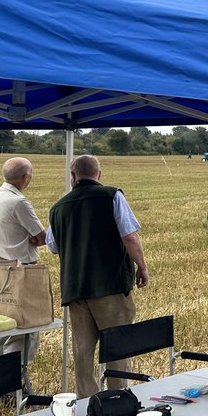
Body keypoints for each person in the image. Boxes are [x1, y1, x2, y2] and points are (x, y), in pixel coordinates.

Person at [46, 154, 148, 397]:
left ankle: (88, 403)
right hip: (109, 286)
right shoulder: (112, 196)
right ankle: (117, 399)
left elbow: (53, 246)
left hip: (75, 289)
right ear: (98, 175)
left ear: (73, 177)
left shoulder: (58, 208)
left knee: (83, 353)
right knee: (117, 348)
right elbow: (130, 236)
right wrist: (142, 266)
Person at [0, 157, 46, 387]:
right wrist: (33, 238)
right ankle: (13, 384)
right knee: (24, 330)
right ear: (25, 177)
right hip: (22, 271)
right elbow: (41, 237)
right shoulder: (19, 202)